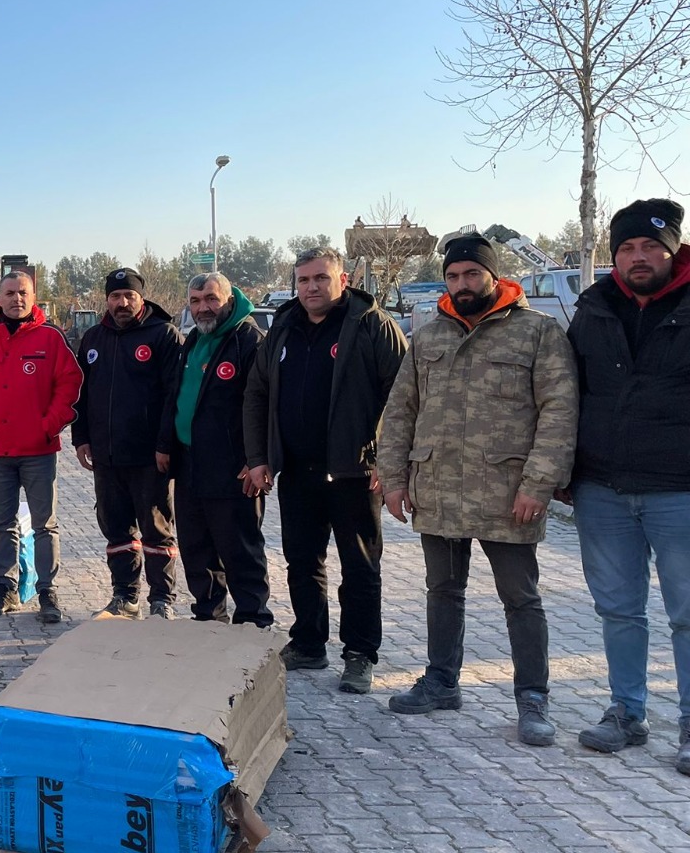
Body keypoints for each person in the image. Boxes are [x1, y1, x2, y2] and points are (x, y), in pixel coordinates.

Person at [377, 233, 578, 747]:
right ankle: (441, 681)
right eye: (453, 276)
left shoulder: (537, 333)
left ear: (493, 275)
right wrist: (394, 479)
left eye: (472, 274)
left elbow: (559, 412)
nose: (462, 284)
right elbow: (401, 410)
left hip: (509, 495)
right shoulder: (428, 336)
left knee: (521, 598)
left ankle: (532, 698)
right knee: (443, 591)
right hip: (438, 489)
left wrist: (540, 482)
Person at [243, 247, 407, 695]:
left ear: (344, 278)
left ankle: (359, 655)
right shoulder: (282, 328)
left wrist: (388, 461)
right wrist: (259, 458)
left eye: (320, 278)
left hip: (355, 473)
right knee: (302, 561)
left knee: (359, 567)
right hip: (296, 470)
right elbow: (257, 393)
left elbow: (404, 398)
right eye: (303, 280)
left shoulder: (372, 326)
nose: (311, 287)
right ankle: (309, 643)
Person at [564, 199, 690, 774]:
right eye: (626, 248)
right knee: (618, 610)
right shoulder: (592, 307)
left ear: (672, 251)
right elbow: (568, 394)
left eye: (649, 247)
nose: (638, 257)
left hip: (679, 489)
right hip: (604, 488)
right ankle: (626, 712)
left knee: (687, 613)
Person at [0, 271, 80, 622]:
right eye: (9, 293)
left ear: (33, 295)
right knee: (3, 524)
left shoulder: (50, 339)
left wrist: (47, 426)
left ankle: (47, 591)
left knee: (44, 524)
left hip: (39, 451)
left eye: (22, 293)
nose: (16, 299)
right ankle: (6, 588)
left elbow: (69, 386)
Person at [159, 272, 272, 628]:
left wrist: (256, 458)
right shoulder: (193, 340)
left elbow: (267, 404)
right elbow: (176, 396)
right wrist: (165, 443)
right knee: (196, 545)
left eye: (210, 299)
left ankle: (253, 619)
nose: (203, 308)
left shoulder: (249, 340)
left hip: (233, 466)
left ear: (229, 298)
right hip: (191, 461)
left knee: (238, 546)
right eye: (195, 301)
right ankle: (209, 614)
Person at [71, 268, 183, 620]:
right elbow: (81, 395)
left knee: (156, 528)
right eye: (115, 296)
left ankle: (162, 599)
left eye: (129, 296)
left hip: (151, 456)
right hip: (106, 454)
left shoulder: (164, 335)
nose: (122, 302)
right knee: (116, 527)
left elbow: (174, 397)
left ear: (141, 298)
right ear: (107, 299)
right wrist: (81, 438)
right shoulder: (93, 338)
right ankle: (125, 595)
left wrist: (166, 444)